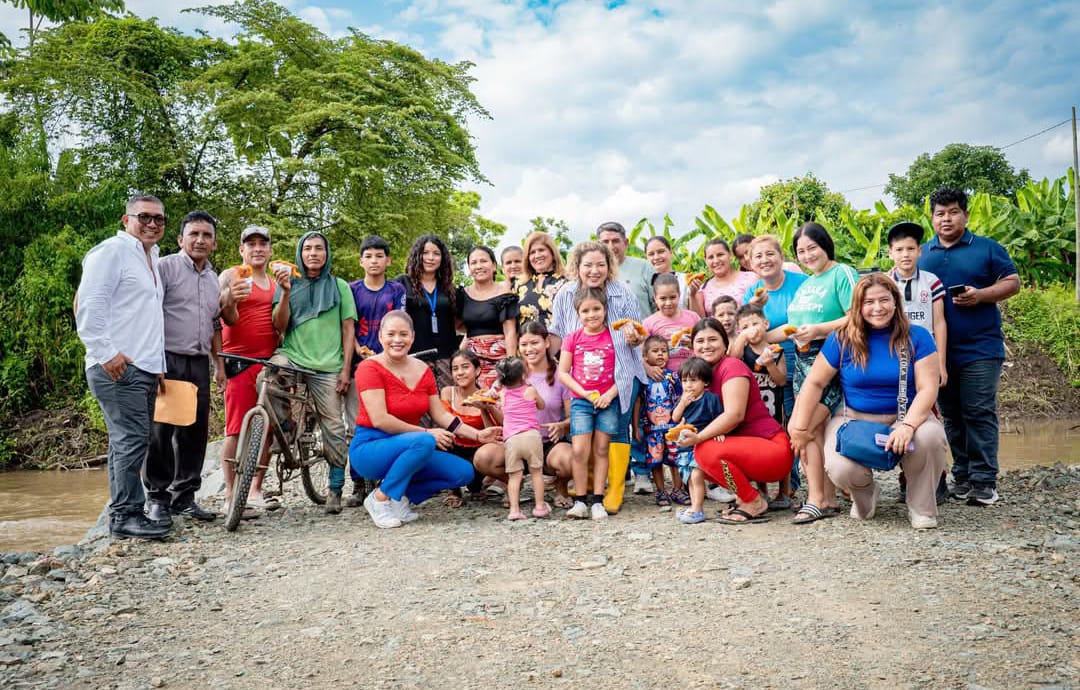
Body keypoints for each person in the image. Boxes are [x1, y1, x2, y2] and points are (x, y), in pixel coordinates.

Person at [789, 274, 949, 529]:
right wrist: (799, 427)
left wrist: (908, 426)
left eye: (884, 300)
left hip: (907, 415)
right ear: (858, 306)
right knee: (839, 466)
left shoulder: (918, 336)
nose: (877, 308)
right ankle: (865, 494)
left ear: (895, 302)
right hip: (854, 416)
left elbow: (927, 388)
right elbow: (814, 383)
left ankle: (921, 506)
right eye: (869, 302)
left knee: (930, 437)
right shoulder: (842, 338)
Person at [348, 310, 501, 528]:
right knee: (425, 442)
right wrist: (427, 432)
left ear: (412, 336)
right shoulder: (369, 368)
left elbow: (440, 414)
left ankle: (400, 497)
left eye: (403, 334)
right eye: (391, 334)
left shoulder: (422, 370)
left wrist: (477, 435)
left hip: (410, 445)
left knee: (463, 472)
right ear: (380, 336)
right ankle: (380, 498)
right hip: (371, 447)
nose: (397, 340)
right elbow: (380, 419)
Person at [76, 194, 168, 540]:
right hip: (117, 367)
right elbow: (88, 305)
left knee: (126, 441)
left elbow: (146, 318)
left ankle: (124, 514)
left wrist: (157, 363)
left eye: (159, 218)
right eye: (144, 217)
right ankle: (126, 515)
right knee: (131, 439)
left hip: (144, 366)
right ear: (126, 220)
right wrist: (106, 353)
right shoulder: (111, 252)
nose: (152, 224)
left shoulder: (151, 257)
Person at [919, 187, 1019, 505]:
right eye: (940, 213)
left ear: (966, 215)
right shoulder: (922, 253)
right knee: (951, 414)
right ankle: (962, 476)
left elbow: (1012, 282)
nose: (946, 219)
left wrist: (980, 295)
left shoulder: (987, 248)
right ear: (932, 218)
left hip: (981, 347)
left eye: (953, 212)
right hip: (937, 352)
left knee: (978, 410)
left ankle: (984, 480)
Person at [549, 241, 647, 514]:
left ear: (609, 265)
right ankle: (589, 489)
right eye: (588, 265)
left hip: (620, 375)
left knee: (616, 430)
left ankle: (614, 489)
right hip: (581, 379)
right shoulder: (565, 294)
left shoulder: (622, 292)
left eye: (600, 265)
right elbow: (557, 332)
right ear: (577, 266)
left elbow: (638, 333)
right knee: (584, 436)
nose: (594, 270)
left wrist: (634, 337)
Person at [675, 319, 794, 524]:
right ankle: (746, 497)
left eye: (713, 339)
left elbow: (734, 415)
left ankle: (753, 502)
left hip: (772, 448)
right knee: (700, 458)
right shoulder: (700, 377)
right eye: (700, 341)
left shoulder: (732, 367)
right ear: (692, 347)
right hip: (746, 449)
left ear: (725, 343)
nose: (706, 345)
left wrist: (698, 437)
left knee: (704, 450)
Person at [144, 210, 221, 525]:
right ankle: (157, 499)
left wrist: (219, 364)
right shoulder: (165, 268)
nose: (200, 240)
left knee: (194, 431)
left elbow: (215, 324)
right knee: (162, 431)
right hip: (167, 359)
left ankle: (185, 497)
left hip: (198, 361)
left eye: (206, 235)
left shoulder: (214, 279)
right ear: (180, 239)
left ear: (214, 243)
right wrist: (152, 359)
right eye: (194, 234)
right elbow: (147, 311)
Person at [271, 231, 356, 514]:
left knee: (334, 426)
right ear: (300, 253)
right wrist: (285, 292)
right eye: (307, 248)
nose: (313, 253)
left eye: (319, 248)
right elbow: (279, 326)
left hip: (328, 366)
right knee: (268, 378)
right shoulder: (286, 283)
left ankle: (335, 489)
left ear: (326, 253)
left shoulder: (339, 286)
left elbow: (348, 329)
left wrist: (345, 369)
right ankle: (285, 427)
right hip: (293, 356)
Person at [784, 222, 858, 524]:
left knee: (801, 427)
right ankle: (825, 498)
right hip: (802, 363)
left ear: (825, 244)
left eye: (812, 248)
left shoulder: (842, 273)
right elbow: (793, 325)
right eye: (801, 251)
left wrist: (818, 329)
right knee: (811, 431)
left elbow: (858, 315)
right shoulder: (806, 283)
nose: (807, 255)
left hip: (831, 359)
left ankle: (817, 499)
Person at [218, 226, 292, 516]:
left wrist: (286, 293)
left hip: (269, 362)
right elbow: (224, 317)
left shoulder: (275, 283)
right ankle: (230, 494)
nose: (257, 248)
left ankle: (255, 490)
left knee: (267, 428)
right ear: (242, 250)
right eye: (251, 244)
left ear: (270, 251)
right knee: (236, 428)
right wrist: (230, 297)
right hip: (238, 360)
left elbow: (280, 326)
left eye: (263, 243)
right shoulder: (230, 275)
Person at [471, 320, 575, 508]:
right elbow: (507, 418)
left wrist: (562, 426)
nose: (529, 349)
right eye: (524, 344)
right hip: (515, 440)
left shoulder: (562, 375)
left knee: (569, 460)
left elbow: (572, 417)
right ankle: (514, 482)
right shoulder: (510, 374)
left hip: (547, 444)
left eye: (534, 343)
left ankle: (560, 487)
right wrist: (487, 407)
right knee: (482, 458)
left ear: (547, 342)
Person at [886, 221, 949, 505]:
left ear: (919, 251)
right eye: (899, 249)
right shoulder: (886, 282)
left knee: (929, 414)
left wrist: (941, 364)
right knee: (900, 413)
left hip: (925, 357)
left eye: (910, 249)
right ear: (890, 253)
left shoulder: (931, 282)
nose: (905, 254)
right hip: (895, 359)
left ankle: (938, 479)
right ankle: (906, 479)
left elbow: (940, 322)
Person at [558, 286, 619, 520]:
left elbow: (625, 373)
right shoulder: (572, 338)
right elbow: (563, 372)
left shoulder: (614, 336)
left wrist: (609, 395)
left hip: (608, 401)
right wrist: (583, 393)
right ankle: (580, 500)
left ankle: (597, 500)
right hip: (581, 402)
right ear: (578, 313)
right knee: (579, 450)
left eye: (596, 309)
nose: (591, 315)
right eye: (585, 311)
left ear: (605, 309)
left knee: (602, 449)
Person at [731, 303, 793, 508]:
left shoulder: (776, 350)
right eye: (745, 326)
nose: (751, 329)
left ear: (766, 324)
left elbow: (781, 380)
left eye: (755, 323)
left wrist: (769, 364)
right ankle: (763, 490)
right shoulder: (743, 351)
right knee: (756, 448)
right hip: (754, 412)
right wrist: (742, 337)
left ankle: (784, 492)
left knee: (783, 446)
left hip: (775, 408)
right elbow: (731, 358)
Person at [438, 349, 500, 507]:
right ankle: (453, 490)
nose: (460, 372)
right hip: (454, 447)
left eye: (465, 367)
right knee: (439, 440)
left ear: (477, 370)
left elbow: (492, 433)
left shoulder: (486, 394)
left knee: (475, 486)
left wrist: (484, 408)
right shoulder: (447, 392)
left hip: (478, 452)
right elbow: (445, 423)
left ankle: (479, 485)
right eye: (455, 369)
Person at [397, 235, 458, 389]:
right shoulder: (402, 283)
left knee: (446, 400)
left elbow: (459, 322)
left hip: (446, 357)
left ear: (442, 258)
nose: (431, 258)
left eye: (436, 254)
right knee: (418, 401)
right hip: (414, 357)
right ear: (417, 255)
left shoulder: (448, 287)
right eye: (425, 253)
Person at [632, 335, 687, 506]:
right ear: (645, 356)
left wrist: (683, 421)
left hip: (673, 428)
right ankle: (661, 491)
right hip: (652, 429)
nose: (661, 354)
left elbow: (681, 398)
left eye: (664, 351)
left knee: (676, 459)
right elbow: (637, 402)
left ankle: (678, 489)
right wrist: (635, 427)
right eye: (655, 351)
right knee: (655, 461)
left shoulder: (674, 376)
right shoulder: (643, 378)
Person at [495, 356, 551, 520]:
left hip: (512, 439)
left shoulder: (503, 394)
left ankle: (514, 510)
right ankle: (540, 506)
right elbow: (542, 405)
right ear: (523, 375)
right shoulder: (530, 390)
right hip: (531, 436)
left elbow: (502, 409)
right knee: (536, 473)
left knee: (514, 476)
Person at [671, 356, 725, 523]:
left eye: (693, 380)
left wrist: (719, 432)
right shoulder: (683, 399)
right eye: (684, 381)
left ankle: (698, 508)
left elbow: (720, 418)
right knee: (689, 478)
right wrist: (682, 404)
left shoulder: (710, 399)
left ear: (705, 382)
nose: (688, 385)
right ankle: (694, 507)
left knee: (696, 475)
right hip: (685, 445)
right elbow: (675, 418)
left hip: (702, 444)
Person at [458, 246, 519, 391]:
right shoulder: (462, 295)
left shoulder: (505, 293)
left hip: (499, 361)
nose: (478, 266)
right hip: (472, 363)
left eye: (483, 261)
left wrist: (510, 366)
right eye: (473, 263)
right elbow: (462, 328)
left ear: (494, 265)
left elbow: (510, 332)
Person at [642, 273, 699, 373]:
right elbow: (641, 353)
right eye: (663, 298)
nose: (668, 303)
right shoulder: (649, 323)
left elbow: (704, 343)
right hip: (663, 377)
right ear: (655, 298)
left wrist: (694, 344)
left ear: (679, 295)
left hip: (692, 374)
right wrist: (649, 369)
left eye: (672, 297)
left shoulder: (693, 317)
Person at [598, 221, 655, 318]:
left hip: (643, 327)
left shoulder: (644, 267)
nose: (610, 246)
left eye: (616, 241)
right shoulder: (594, 273)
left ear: (626, 243)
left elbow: (658, 304)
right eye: (605, 242)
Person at [514, 231, 567, 330]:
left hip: (559, 339)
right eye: (532, 252)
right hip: (526, 339)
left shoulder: (567, 282)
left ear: (552, 253)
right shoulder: (519, 284)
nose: (537, 255)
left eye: (541, 250)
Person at [644, 235, 705, 315]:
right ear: (646, 257)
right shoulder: (644, 284)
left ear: (671, 252)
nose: (656, 257)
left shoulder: (687, 280)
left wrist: (692, 295)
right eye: (651, 254)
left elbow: (700, 318)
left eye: (661, 252)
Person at [698, 238, 756, 315]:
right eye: (711, 257)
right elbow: (698, 319)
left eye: (720, 255)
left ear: (730, 255)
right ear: (705, 261)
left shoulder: (752, 278)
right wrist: (692, 294)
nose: (716, 260)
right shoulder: (703, 289)